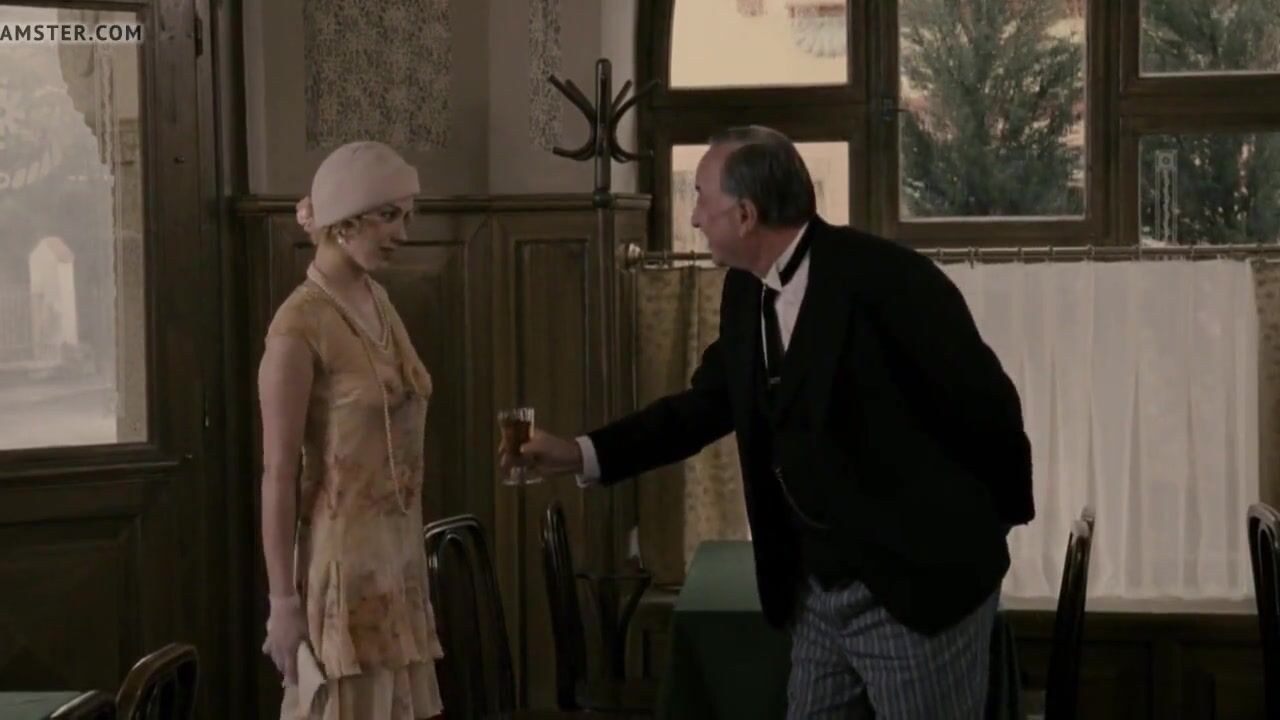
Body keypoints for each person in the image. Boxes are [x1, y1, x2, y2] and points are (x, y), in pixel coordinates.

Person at [501, 126, 1033, 718]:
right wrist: (579, 453)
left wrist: (966, 547)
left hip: (917, 593)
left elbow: (989, 411)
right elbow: (702, 407)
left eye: (701, 198)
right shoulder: (743, 293)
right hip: (815, 595)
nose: (694, 218)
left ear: (746, 214)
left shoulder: (891, 281)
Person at [259, 140, 444, 720]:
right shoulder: (298, 326)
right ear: (343, 221)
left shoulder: (376, 298)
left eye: (406, 216)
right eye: (389, 215)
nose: (402, 233)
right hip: (342, 569)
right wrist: (282, 601)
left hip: (398, 561)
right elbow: (278, 474)